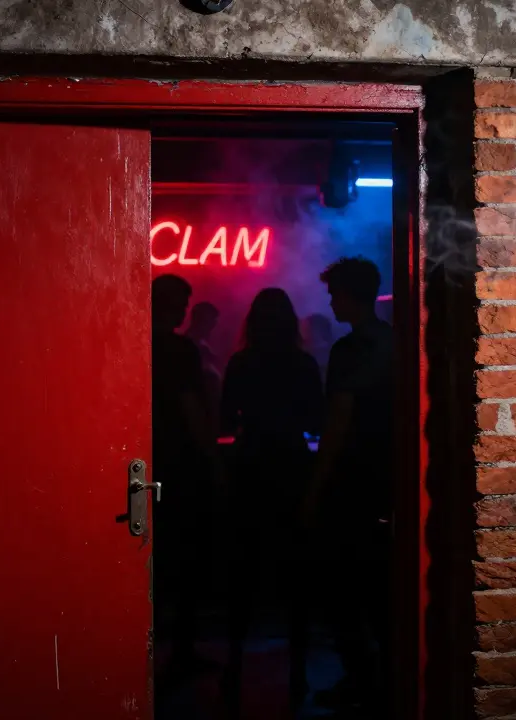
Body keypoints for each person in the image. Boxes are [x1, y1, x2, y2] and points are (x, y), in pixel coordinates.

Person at [218, 288, 324, 716]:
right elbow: (316, 420)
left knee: (243, 569)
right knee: (296, 572)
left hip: (251, 464)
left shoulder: (241, 363)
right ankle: (297, 671)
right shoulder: (303, 364)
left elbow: (226, 420)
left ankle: (233, 666)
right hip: (291, 465)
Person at [303, 257, 394, 715]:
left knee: (344, 591)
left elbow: (338, 423)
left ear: (349, 295)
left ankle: (360, 684)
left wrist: (315, 489)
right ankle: (389, 685)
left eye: (334, 294)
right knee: (381, 590)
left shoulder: (349, 349)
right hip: (388, 478)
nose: (330, 303)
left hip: (352, 483)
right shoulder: (395, 341)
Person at [151, 274, 219, 686]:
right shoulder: (181, 351)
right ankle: (180, 652)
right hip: (181, 466)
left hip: (149, 459)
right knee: (185, 561)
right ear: (174, 305)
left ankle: (146, 650)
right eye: (182, 303)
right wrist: (213, 458)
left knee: (154, 561)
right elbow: (192, 410)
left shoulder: (138, 342)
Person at [185, 301, 223, 429]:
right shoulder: (191, 346)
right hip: (199, 414)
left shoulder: (201, 344)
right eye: (211, 323)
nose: (212, 328)